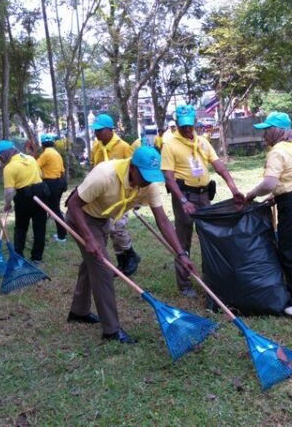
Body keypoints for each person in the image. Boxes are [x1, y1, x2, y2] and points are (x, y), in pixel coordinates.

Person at [65, 146, 198, 343]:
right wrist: (89, 238)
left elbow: (162, 220)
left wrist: (181, 254)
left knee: (91, 264)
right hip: (81, 217)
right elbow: (73, 204)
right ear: (133, 168)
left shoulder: (149, 185)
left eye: (152, 177)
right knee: (102, 269)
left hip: (103, 218)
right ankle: (111, 331)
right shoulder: (104, 175)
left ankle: (78, 311)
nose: (148, 181)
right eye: (144, 176)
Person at [161, 104, 244, 297]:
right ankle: (185, 284)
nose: (186, 128)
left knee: (209, 235)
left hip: (204, 195)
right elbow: (168, 178)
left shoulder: (203, 142)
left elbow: (219, 166)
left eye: (189, 124)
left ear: (195, 123)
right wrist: (183, 201)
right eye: (183, 125)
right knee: (183, 239)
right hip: (185, 196)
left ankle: (211, 277)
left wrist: (233, 189)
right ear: (177, 124)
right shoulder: (170, 145)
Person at [245, 112, 292, 317]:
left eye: (267, 131)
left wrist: (251, 194)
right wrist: (276, 197)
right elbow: (291, 177)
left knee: (290, 254)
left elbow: (269, 183)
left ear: (276, 131)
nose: (263, 136)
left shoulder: (277, 152)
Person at [89, 114, 139, 276]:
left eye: (99, 130)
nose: (96, 133)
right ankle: (122, 262)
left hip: (121, 194)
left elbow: (134, 171)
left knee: (118, 227)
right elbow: (93, 167)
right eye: (95, 130)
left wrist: (135, 198)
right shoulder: (96, 147)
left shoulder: (123, 147)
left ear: (110, 130)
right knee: (110, 229)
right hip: (103, 194)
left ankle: (130, 255)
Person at [0, 140, 48, 264]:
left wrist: (7, 204)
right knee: (40, 227)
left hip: (24, 198)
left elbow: (9, 191)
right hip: (40, 194)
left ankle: (19, 256)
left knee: (21, 227)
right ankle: (37, 257)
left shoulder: (9, 168)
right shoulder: (31, 159)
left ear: (5, 154)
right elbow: (41, 174)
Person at [37, 133, 68, 243]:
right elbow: (62, 171)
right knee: (55, 209)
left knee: (54, 210)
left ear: (42, 145)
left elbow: (35, 166)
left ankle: (62, 236)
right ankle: (62, 233)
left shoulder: (45, 154)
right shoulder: (56, 154)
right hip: (60, 182)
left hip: (50, 184)